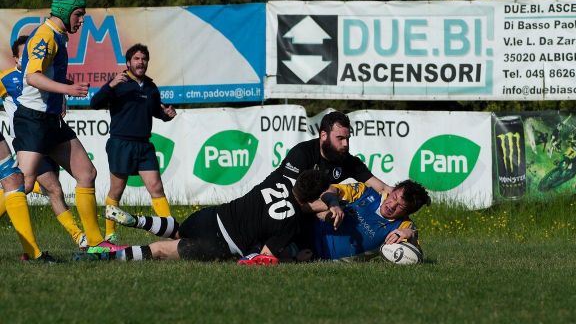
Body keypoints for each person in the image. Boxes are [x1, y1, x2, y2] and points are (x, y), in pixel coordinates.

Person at [15, 0, 117, 252]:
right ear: (63, 11)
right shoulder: (46, 35)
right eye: (78, 14)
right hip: (33, 120)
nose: (82, 21)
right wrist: (67, 90)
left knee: (87, 173)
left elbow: (48, 76)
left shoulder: (60, 36)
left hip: (51, 121)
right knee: (23, 184)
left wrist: (63, 86)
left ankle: (95, 243)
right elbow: (32, 77)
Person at [75, 170, 330, 264]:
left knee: (178, 228)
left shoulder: (277, 179)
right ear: (312, 198)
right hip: (220, 244)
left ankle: (139, 221)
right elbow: (265, 255)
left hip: (212, 216)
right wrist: (294, 257)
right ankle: (107, 256)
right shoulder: (292, 222)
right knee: (161, 251)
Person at [0, 35, 87, 254]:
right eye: (23, 54)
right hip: (29, 139)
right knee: (26, 186)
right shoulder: (5, 79)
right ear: (15, 58)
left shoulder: (44, 74)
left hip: (49, 135)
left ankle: (81, 239)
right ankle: (79, 239)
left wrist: (63, 98)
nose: (27, 58)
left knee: (54, 189)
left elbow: (61, 88)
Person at [90, 43, 177, 242]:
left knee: (156, 187)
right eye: (136, 59)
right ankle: (110, 234)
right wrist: (110, 85)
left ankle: (170, 232)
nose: (141, 62)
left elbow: (157, 111)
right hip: (121, 144)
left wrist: (168, 115)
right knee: (116, 191)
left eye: (144, 59)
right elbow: (94, 103)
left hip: (144, 145)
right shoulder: (118, 83)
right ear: (128, 62)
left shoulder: (151, 87)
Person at [268, 110, 394, 228]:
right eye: (340, 138)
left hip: (305, 214)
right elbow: (290, 200)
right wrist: (332, 204)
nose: (346, 144)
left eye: (347, 139)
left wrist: (407, 221)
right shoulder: (302, 153)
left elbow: (383, 188)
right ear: (323, 135)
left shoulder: (348, 160)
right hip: (274, 208)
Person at [293, 179, 431, 262]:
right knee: (328, 201)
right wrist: (334, 204)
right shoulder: (365, 192)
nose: (392, 205)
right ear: (392, 190)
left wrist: (411, 235)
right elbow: (332, 189)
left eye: (401, 206)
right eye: (394, 197)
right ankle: (290, 210)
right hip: (303, 228)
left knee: (280, 255)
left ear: (408, 212)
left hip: (319, 256)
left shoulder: (404, 226)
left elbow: (415, 257)